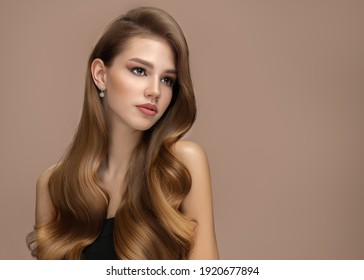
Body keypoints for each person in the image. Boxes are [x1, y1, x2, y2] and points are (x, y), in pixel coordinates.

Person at [27, 6, 218, 260]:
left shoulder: (182, 165)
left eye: (167, 79)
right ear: (100, 75)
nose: (155, 91)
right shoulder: (53, 187)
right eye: (139, 70)